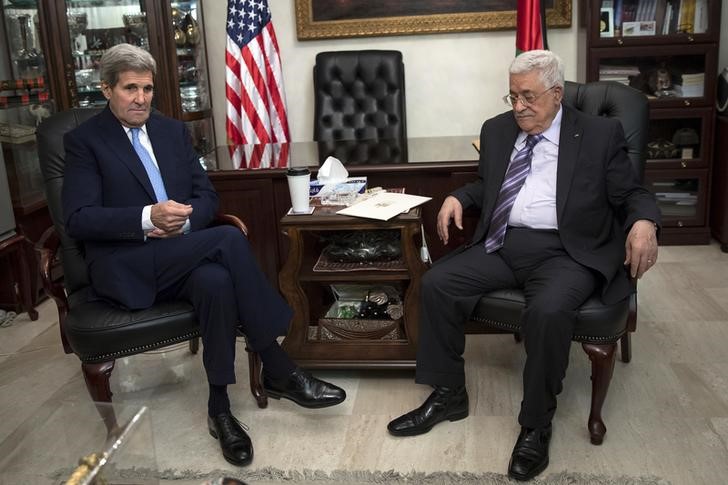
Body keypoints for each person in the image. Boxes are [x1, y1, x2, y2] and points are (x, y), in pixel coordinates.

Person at [62, 44, 345, 467]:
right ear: (106, 89)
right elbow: (79, 219)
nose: (141, 99)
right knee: (229, 242)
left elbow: (207, 197)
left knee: (216, 281)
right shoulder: (85, 142)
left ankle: (219, 408)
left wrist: (185, 223)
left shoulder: (172, 132)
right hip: (125, 262)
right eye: (129, 89)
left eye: (147, 89)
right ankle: (277, 364)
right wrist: (146, 217)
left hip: (180, 249)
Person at [386, 50, 660, 481]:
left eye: (528, 96)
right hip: (504, 243)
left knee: (548, 310)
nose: (518, 107)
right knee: (438, 283)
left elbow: (632, 193)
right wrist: (462, 196)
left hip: (568, 251)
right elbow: (486, 182)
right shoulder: (497, 131)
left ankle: (536, 424)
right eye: (512, 96)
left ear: (556, 94)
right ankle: (448, 394)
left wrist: (644, 222)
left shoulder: (598, 134)